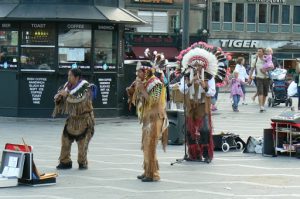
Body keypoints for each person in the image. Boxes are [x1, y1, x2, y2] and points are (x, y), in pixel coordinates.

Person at [177, 42, 228, 162]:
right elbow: (182, 90)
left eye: (198, 65)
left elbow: (211, 92)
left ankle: (207, 154)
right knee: (189, 130)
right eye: (194, 65)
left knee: (204, 129)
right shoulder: (186, 76)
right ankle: (193, 154)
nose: (196, 67)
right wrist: (191, 81)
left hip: (203, 105)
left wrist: (203, 85)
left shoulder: (209, 77)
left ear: (203, 66)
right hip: (190, 105)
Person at [127, 64, 168, 182]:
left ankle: (153, 173)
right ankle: (147, 171)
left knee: (151, 145)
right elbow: (138, 100)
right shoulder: (144, 82)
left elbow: (153, 101)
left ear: (146, 71)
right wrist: (133, 91)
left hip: (155, 118)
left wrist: (142, 89)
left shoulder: (156, 83)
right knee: (145, 145)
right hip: (147, 118)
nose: (137, 74)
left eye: (139, 72)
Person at [53, 68, 96, 170]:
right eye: (68, 75)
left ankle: (82, 162)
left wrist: (67, 95)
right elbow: (65, 102)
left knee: (82, 144)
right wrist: (59, 99)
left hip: (84, 119)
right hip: (72, 119)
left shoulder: (86, 87)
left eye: (70, 76)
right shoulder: (67, 86)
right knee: (65, 141)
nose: (68, 78)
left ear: (76, 77)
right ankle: (65, 161)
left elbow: (79, 100)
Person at [249, 48, 270, 112]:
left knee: (265, 93)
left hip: (267, 78)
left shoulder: (267, 59)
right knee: (260, 92)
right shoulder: (255, 60)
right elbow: (252, 69)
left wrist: (266, 70)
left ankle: (263, 105)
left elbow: (271, 67)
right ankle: (261, 106)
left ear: (263, 52)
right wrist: (249, 77)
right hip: (258, 78)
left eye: (260, 51)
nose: (258, 52)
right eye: (258, 51)